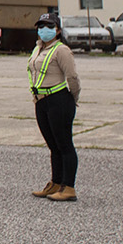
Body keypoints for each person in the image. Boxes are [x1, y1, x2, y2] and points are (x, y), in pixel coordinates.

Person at [29, 11, 81, 202]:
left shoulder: (61, 50)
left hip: (59, 100)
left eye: (50, 27)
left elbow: (73, 78)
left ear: (58, 30)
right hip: (41, 101)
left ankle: (69, 187)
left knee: (64, 144)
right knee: (53, 146)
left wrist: (72, 99)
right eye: (41, 26)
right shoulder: (38, 49)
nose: (44, 30)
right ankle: (56, 183)